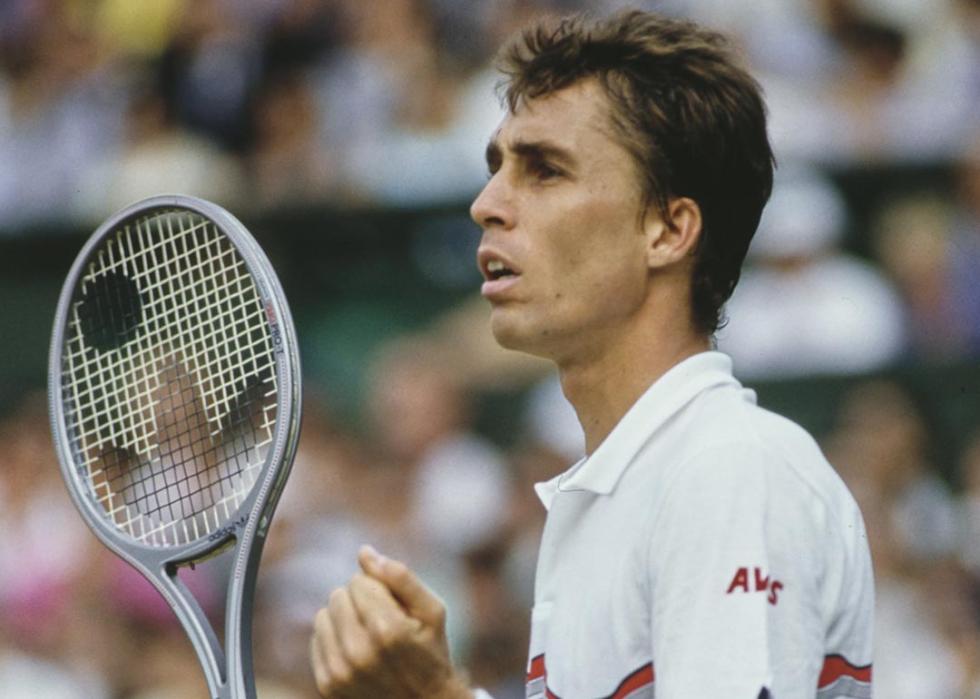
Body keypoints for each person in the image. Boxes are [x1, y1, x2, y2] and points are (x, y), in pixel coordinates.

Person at [309, 9, 874, 699]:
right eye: (498, 169)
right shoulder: (614, 495)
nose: (487, 203)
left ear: (668, 230)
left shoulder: (726, 469)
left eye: (544, 170)